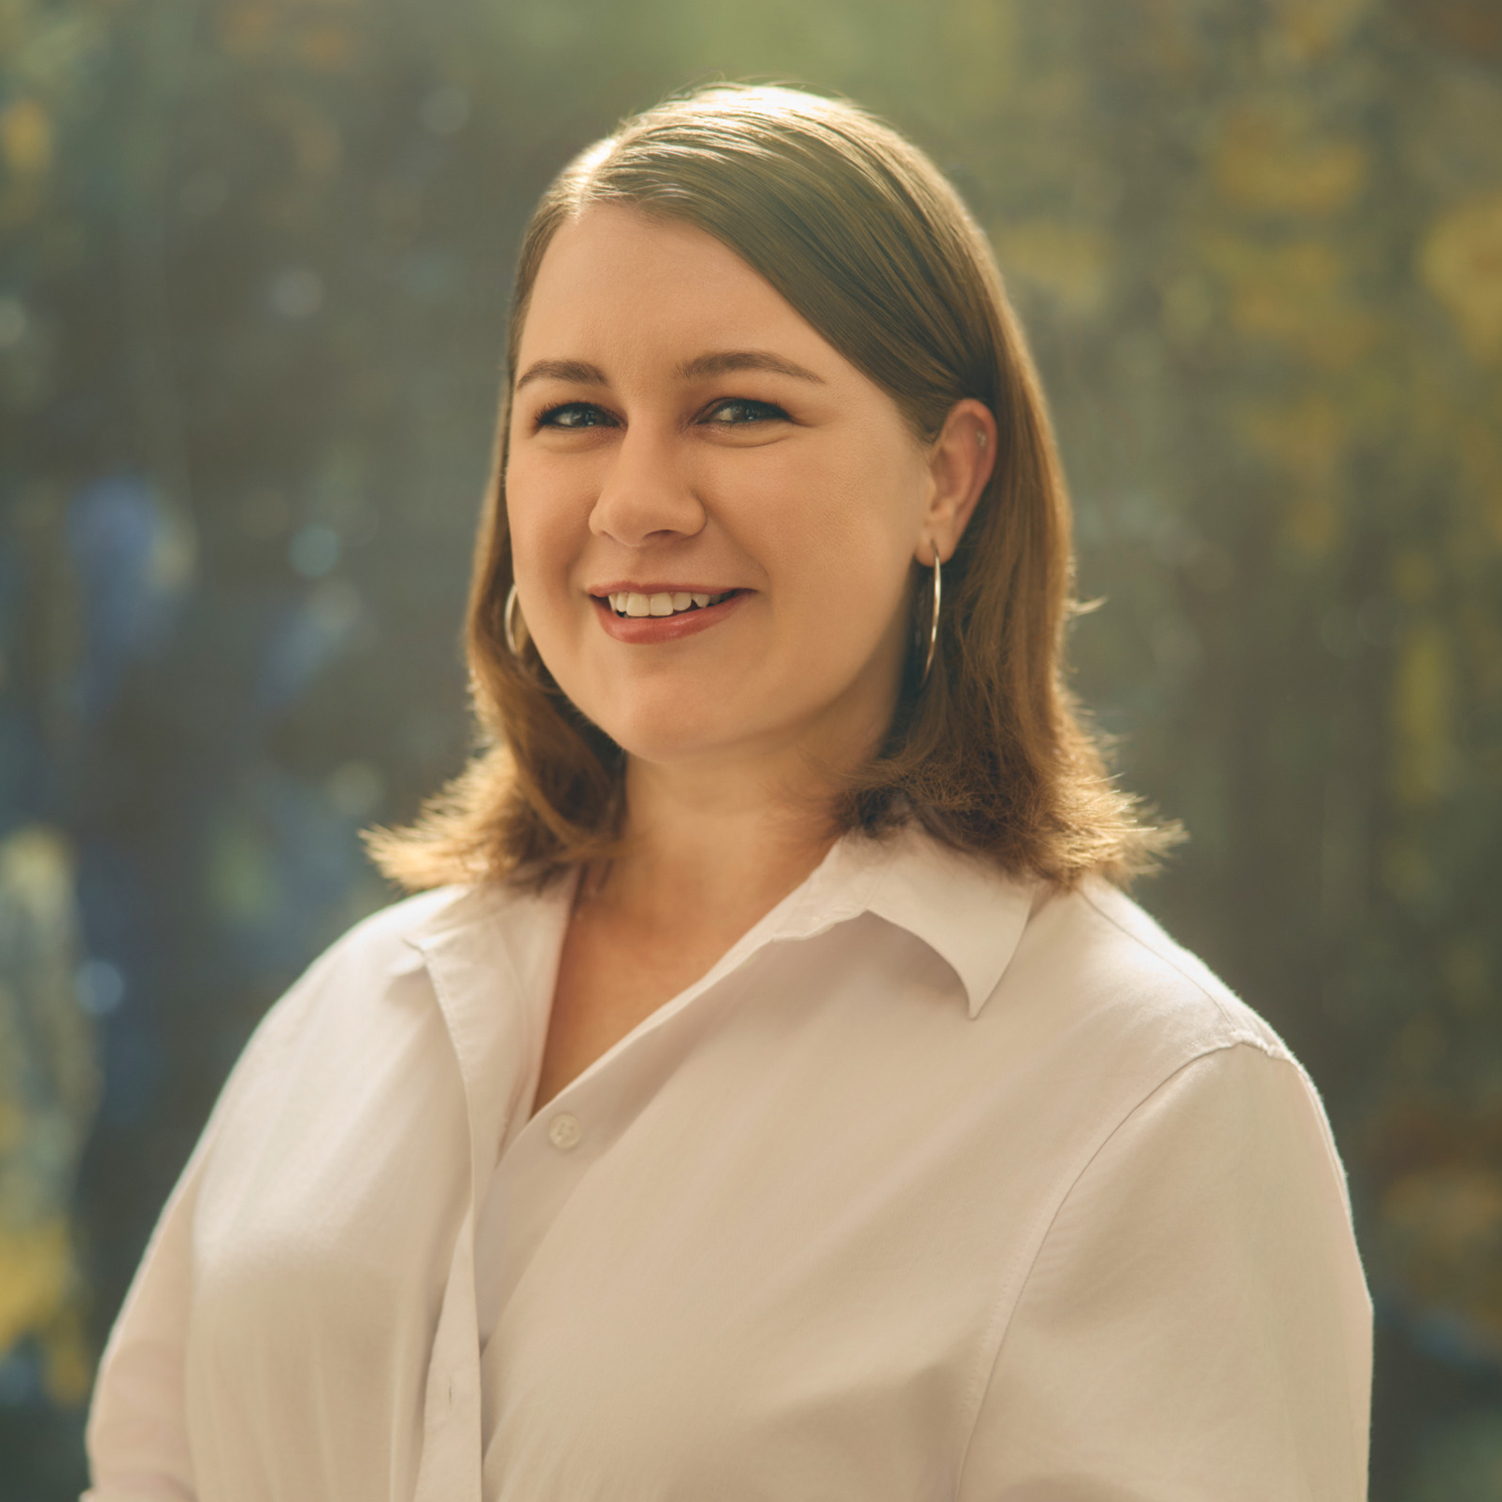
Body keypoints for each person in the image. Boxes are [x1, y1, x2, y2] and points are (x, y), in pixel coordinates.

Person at [84, 83, 1372, 1502]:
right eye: (572, 412)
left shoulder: (1156, 1104)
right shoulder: (350, 1011)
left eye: (738, 408)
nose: (635, 500)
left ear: (944, 479)